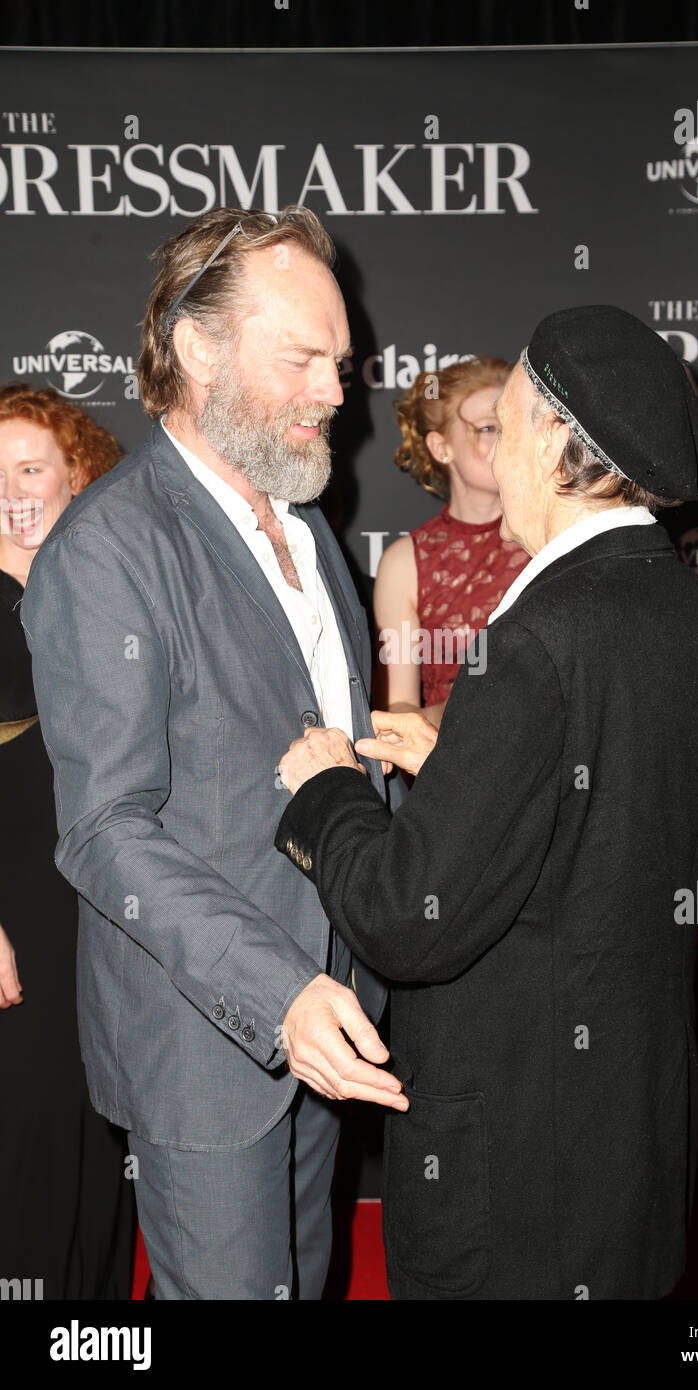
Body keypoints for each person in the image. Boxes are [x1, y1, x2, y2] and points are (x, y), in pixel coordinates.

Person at [275, 305, 698, 1300]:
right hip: (635, 1134)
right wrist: (466, 767)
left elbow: (410, 921)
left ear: (547, 438)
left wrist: (324, 793)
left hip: (508, 1164)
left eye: (509, 415)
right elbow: (673, 841)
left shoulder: (531, 643)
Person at [20, 205, 408, 1303]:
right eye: (302, 358)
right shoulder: (108, 549)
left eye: (340, 362)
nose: (339, 392)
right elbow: (104, 830)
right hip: (210, 1034)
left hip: (328, 1007)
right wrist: (276, 991)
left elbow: (297, 745)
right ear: (198, 351)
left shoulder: (304, 518)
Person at [0, 383, 136, 1299]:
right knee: (27, 1136)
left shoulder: (102, 594)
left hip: (107, 903)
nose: (7, 489)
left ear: (78, 475)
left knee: (102, 1126)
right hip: (14, 910)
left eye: (28, 468)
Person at [375, 357, 528, 725]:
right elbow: (401, 710)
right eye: (488, 428)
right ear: (441, 447)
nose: (504, 440)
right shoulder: (405, 563)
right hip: (456, 771)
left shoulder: (553, 540)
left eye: (513, 425)